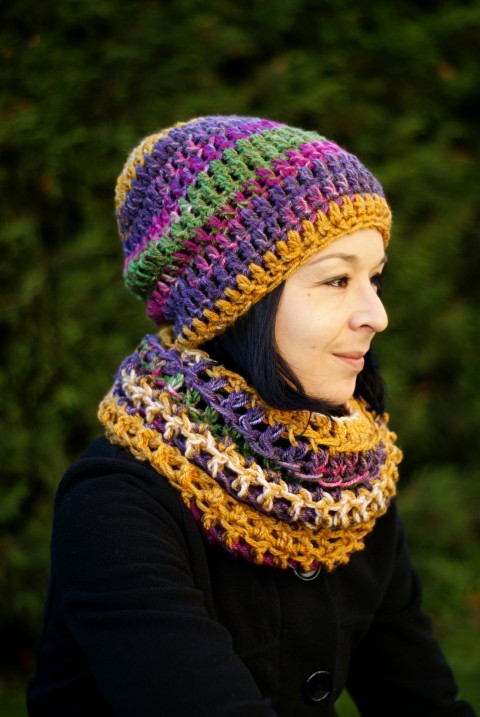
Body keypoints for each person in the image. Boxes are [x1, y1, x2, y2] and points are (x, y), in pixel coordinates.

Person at [27, 115, 476, 716]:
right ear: (233, 304)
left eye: (374, 278)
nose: (376, 314)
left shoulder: (351, 485)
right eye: (337, 279)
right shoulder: (117, 503)